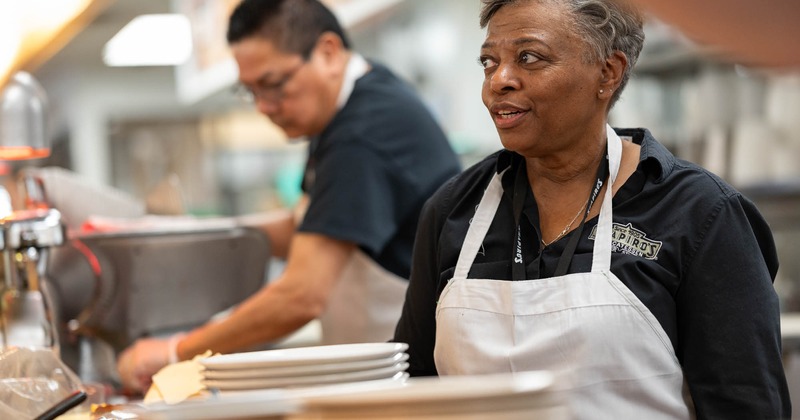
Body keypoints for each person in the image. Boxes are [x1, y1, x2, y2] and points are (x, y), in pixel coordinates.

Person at [392, 0, 791, 418]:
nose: (500, 81)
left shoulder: (700, 214)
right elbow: (411, 383)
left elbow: (746, 405)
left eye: (529, 58)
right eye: (489, 62)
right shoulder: (454, 209)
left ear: (608, 72)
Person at [117, 0, 461, 393]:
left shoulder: (363, 134)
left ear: (328, 52)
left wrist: (174, 351)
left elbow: (302, 295)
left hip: (407, 381)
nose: (264, 107)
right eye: (251, 91)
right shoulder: (346, 108)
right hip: (374, 370)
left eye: (274, 84)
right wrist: (188, 233)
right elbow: (309, 224)